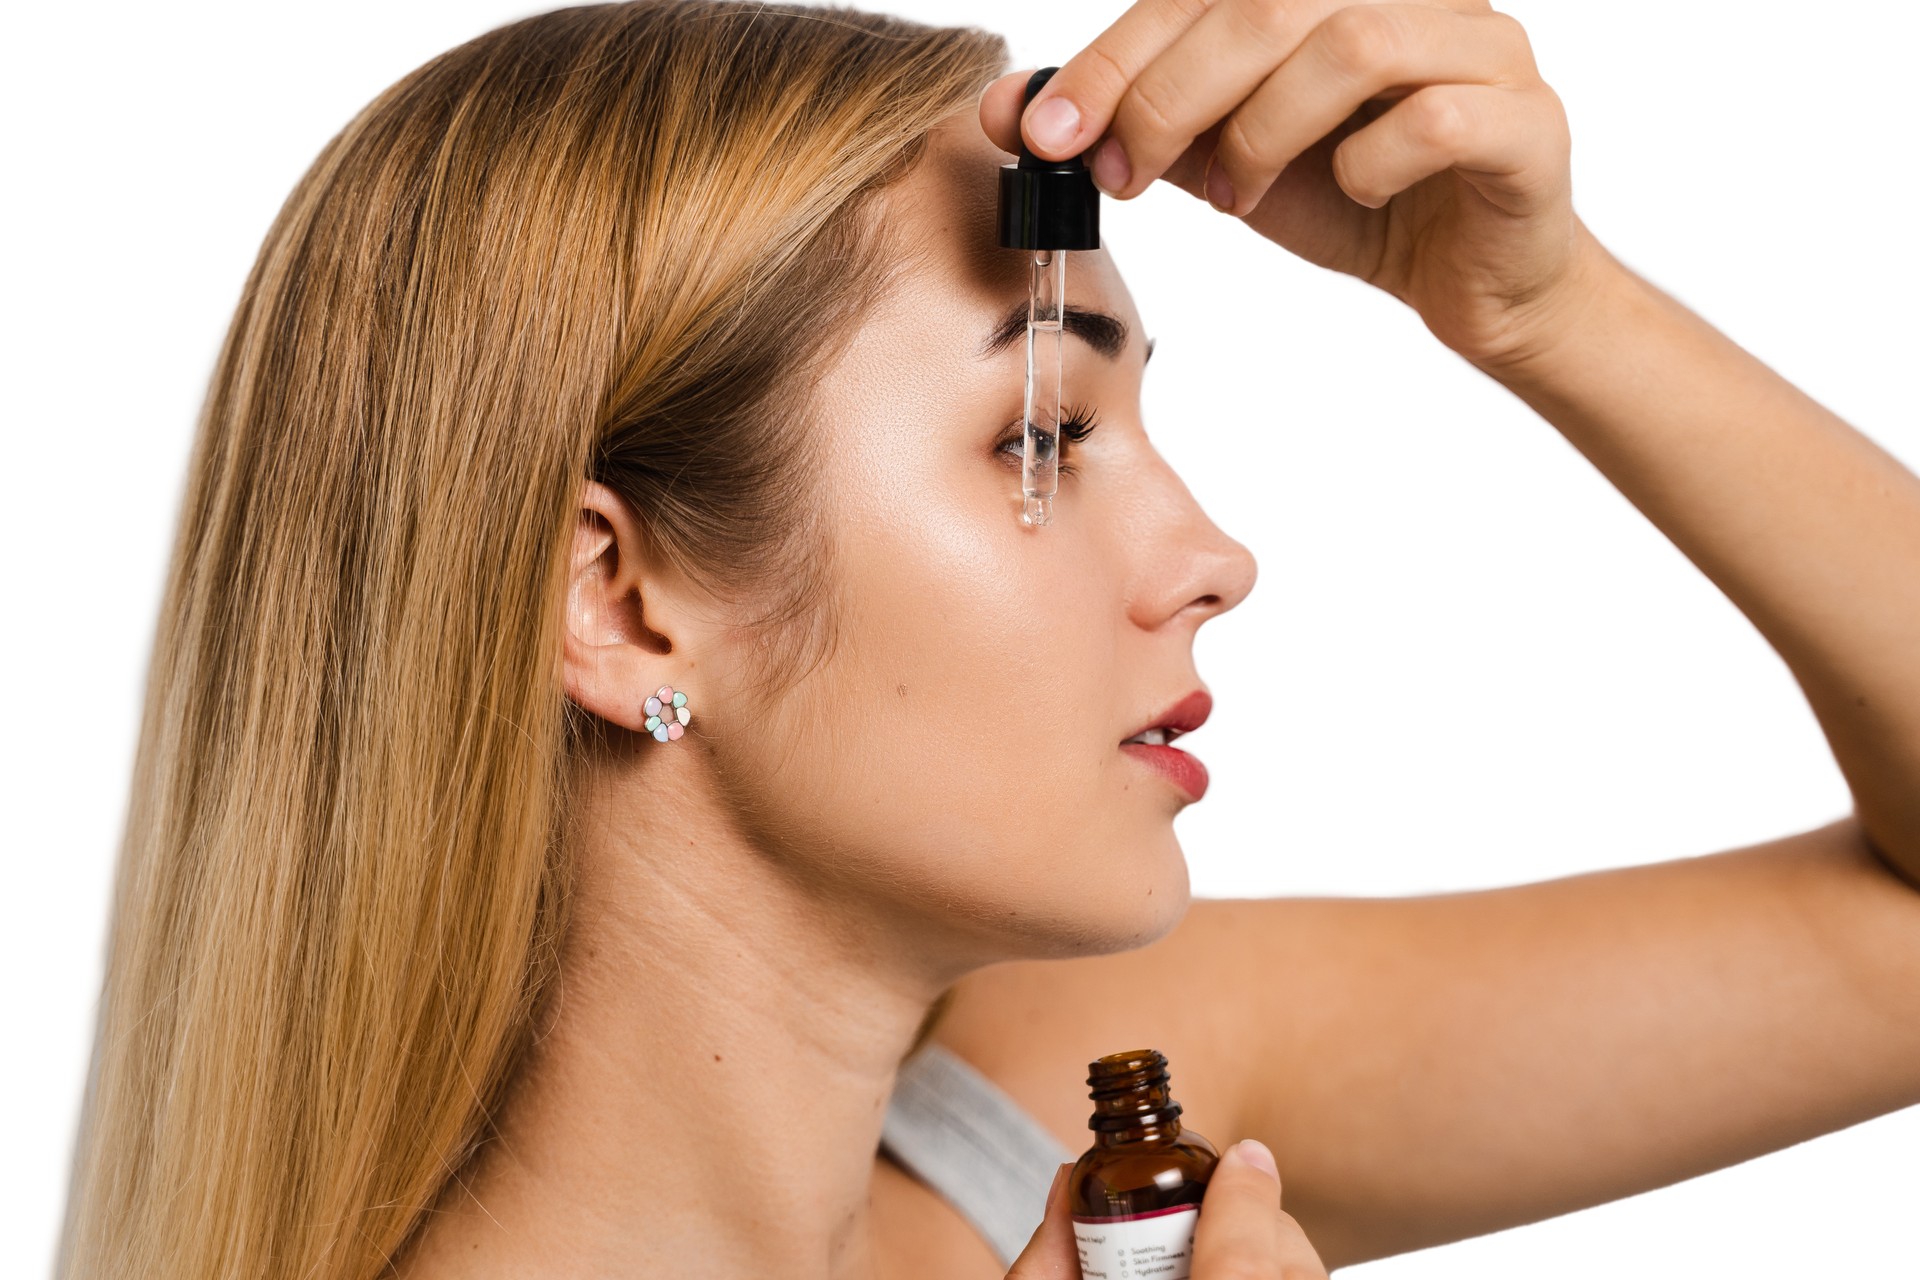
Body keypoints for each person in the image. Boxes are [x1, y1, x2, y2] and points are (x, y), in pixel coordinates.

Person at [54, 1, 1920, 1278]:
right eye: (1043, 435)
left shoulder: (1048, 1107)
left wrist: (1554, 312)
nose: (1214, 557)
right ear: (615, 601)